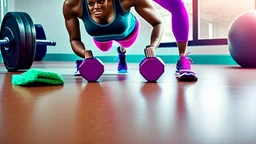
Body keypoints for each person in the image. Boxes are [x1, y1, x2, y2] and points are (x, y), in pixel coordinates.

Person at [63, 0, 197, 81]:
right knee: (104, 47)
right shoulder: (74, 5)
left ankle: (182, 58)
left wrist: (153, 46)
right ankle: (87, 58)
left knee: (177, 4)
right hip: (100, 35)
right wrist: (84, 54)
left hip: (126, 31)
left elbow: (158, 22)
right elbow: (74, 39)